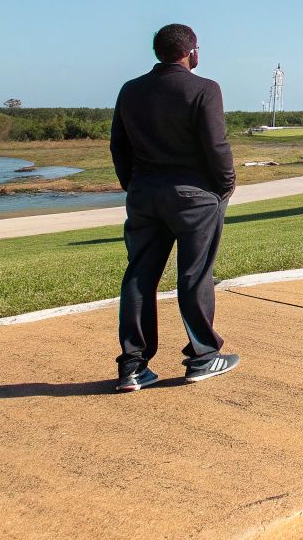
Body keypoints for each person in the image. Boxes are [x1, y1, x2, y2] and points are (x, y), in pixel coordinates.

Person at [109, 24, 240, 393]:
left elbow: (118, 145)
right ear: (192, 52)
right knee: (194, 275)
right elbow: (217, 145)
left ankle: (133, 367)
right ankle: (202, 357)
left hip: (145, 195)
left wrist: (132, 185)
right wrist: (225, 185)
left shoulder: (131, 90)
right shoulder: (204, 89)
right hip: (194, 197)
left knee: (139, 277)